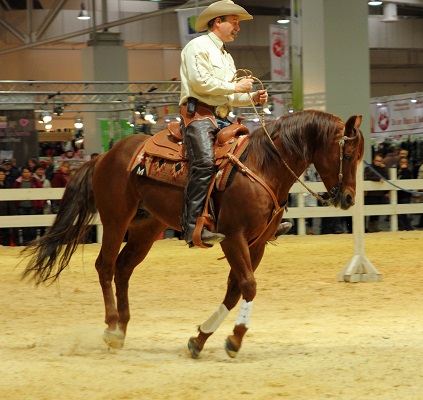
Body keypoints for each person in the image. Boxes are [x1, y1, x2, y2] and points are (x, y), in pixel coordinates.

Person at [179, 0, 290, 246]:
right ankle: (192, 227)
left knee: (256, 158)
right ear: (218, 22)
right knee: (205, 163)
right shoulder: (197, 47)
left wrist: (250, 97)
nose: (237, 28)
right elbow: (200, 83)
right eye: (234, 22)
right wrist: (235, 87)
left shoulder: (226, 56)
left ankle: (264, 219)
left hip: (220, 118)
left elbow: (228, 95)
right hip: (198, 116)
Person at [13, 166, 45, 245]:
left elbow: (41, 193)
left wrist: (40, 204)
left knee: (33, 226)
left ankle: (32, 242)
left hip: (32, 206)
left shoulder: (36, 181)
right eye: (24, 172)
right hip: (21, 206)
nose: (26, 174)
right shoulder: (18, 182)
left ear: (31, 173)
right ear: (22, 173)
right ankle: (24, 243)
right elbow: (13, 193)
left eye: (28, 172)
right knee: (23, 226)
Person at [364, 153, 390, 233]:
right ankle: (367, 227)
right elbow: (368, 177)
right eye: (377, 160)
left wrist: (384, 168)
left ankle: (374, 227)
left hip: (379, 193)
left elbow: (387, 178)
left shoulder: (382, 169)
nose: (378, 162)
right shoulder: (369, 168)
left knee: (377, 211)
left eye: (380, 161)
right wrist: (378, 179)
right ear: (373, 160)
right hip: (370, 194)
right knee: (368, 211)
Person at [397, 157, 414, 231]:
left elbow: (406, 178)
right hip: (398, 194)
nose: (403, 164)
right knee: (399, 212)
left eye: (405, 163)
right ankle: (401, 226)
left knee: (405, 211)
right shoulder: (396, 171)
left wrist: (404, 170)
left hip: (405, 194)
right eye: (402, 162)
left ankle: (408, 226)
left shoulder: (408, 172)